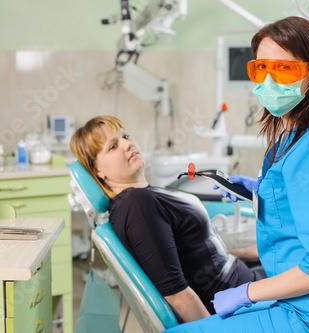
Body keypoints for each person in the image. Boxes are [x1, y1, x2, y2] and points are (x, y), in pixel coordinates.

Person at [164, 16, 309, 333]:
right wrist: (260, 192)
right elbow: (298, 203)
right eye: (261, 68)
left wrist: (245, 293)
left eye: (285, 68)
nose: (270, 80)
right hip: (296, 300)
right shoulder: (296, 132)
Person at [70, 115, 266, 323]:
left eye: (126, 136)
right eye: (113, 146)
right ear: (97, 171)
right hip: (241, 302)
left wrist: (249, 253)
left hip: (243, 281)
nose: (128, 144)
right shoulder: (137, 205)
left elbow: (192, 256)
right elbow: (178, 295)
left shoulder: (141, 197)